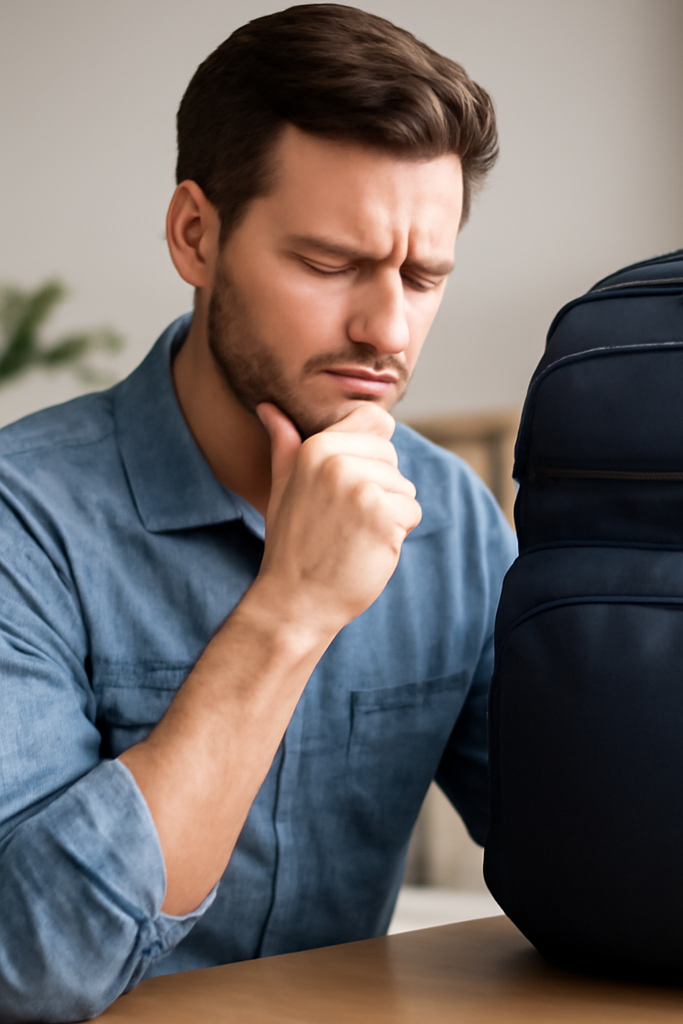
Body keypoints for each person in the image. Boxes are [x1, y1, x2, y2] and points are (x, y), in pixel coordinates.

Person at [0, 5, 516, 1020]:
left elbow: (577, 859)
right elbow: (29, 960)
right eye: (328, 264)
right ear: (196, 235)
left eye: (423, 277)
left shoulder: (450, 515)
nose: (386, 327)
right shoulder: (26, 520)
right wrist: (292, 609)